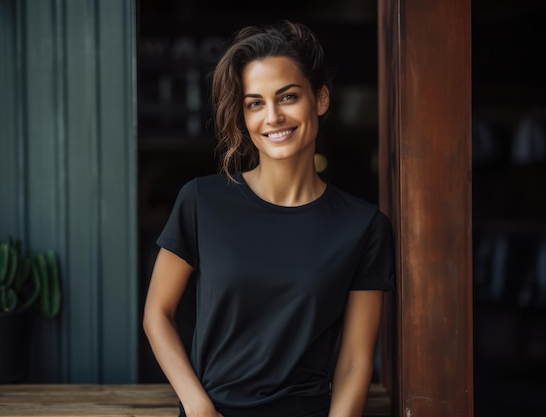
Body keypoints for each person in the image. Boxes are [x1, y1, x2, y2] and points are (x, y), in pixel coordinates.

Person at [143, 20, 396, 417]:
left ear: (321, 99)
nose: (273, 116)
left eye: (288, 96)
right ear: (243, 117)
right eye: (255, 103)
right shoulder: (201, 201)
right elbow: (157, 314)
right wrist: (197, 406)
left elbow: (354, 361)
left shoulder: (364, 228)